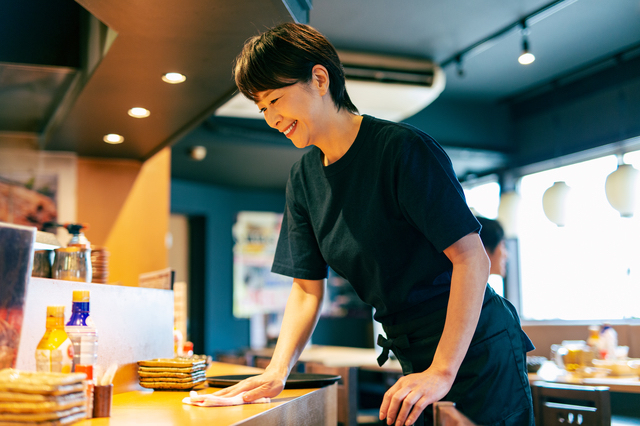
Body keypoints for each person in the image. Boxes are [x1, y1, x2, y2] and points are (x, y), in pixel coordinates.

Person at [214, 22, 534, 426]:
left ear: (318, 78)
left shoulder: (401, 149)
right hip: (411, 349)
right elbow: (306, 288)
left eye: (276, 99)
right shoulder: (303, 179)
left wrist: (442, 371)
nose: (271, 118)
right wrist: (277, 371)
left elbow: (472, 259)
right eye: (262, 108)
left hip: (475, 348)